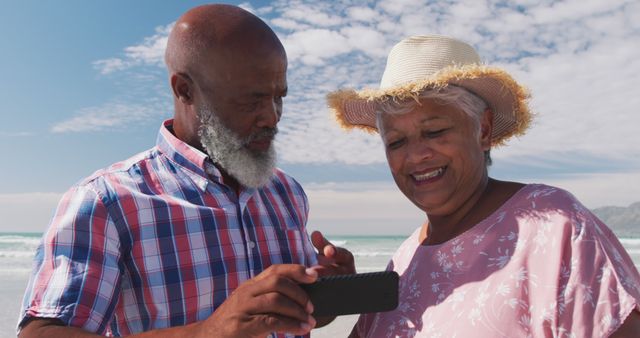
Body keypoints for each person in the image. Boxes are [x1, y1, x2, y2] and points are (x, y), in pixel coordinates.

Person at [18, 4, 354, 338]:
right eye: (251, 100)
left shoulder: (285, 192)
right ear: (184, 90)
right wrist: (209, 331)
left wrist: (327, 294)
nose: (272, 116)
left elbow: (286, 319)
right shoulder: (107, 201)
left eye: (279, 97)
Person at [327, 34, 640, 337]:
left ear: (484, 130)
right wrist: (325, 301)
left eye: (435, 131)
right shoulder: (404, 258)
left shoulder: (554, 224)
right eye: (395, 141)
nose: (415, 155)